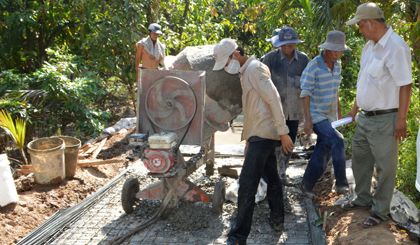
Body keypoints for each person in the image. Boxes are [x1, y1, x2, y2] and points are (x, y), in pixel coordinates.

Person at [212, 38, 294, 245]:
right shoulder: (246, 72)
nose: (227, 67)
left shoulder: (255, 68)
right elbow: (252, 109)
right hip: (259, 134)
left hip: (265, 133)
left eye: (227, 61)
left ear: (237, 54)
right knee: (272, 179)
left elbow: (273, 98)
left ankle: (238, 237)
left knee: (247, 185)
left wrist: (283, 131)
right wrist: (248, 137)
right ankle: (277, 219)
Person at [342, 2, 412, 228]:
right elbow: (364, 80)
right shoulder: (369, 46)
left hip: (385, 118)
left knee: (385, 167)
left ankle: (380, 211)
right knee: (360, 159)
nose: (360, 31)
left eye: (361, 26)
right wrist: (354, 108)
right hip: (364, 117)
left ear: (371, 23)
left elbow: (405, 85)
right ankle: (363, 198)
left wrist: (401, 119)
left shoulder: (396, 47)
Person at [299, 31, 350, 198]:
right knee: (338, 140)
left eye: (339, 51)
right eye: (334, 51)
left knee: (324, 149)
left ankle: (306, 185)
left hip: (330, 115)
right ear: (326, 49)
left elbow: (335, 91)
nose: (337, 54)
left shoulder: (338, 66)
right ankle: (342, 183)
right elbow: (305, 94)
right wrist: (308, 120)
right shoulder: (313, 66)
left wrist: (339, 113)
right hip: (316, 114)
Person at [262, 26, 310, 186]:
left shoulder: (304, 60)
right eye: (284, 45)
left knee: (288, 145)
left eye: (290, 45)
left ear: (295, 44)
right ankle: (268, 175)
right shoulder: (269, 59)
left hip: (294, 112)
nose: (287, 48)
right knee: (271, 143)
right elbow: (261, 84)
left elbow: (308, 86)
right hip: (274, 112)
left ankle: (281, 173)